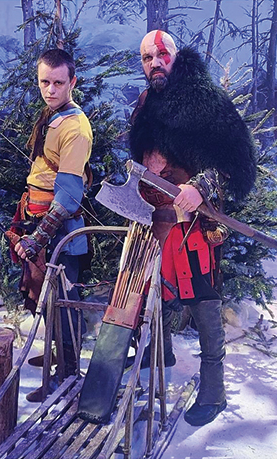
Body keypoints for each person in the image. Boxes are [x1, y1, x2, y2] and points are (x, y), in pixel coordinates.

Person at [129, 30, 256, 426]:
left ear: (176, 56)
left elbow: (237, 161)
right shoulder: (148, 102)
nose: (154, 63)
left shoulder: (204, 99)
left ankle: (214, 392)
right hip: (154, 217)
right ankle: (161, 351)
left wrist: (202, 187)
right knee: (151, 287)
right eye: (147, 57)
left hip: (193, 223)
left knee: (203, 301)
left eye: (161, 54)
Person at [12, 48, 93, 402]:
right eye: (44, 81)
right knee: (48, 301)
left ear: (72, 82)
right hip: (41, 224)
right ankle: (60, 356)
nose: (51, 89)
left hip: (60, 233)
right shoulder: (52, 114)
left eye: (59, 82)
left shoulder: (75, 127)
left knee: (64, 303)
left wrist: (39, 238)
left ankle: (67, 375)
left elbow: (70, 193)